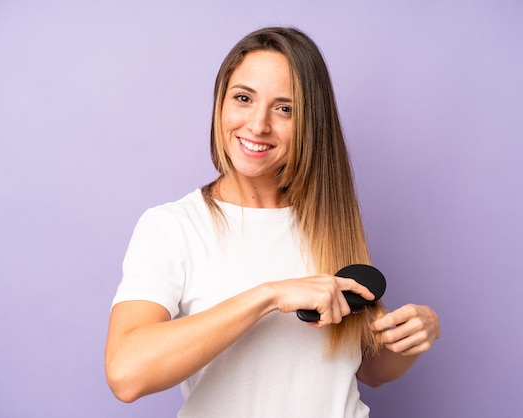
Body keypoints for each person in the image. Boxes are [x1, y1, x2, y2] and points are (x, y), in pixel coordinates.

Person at [105, 26, 441, 418]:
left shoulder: (332, 223)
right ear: (220, 103)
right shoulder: (172, 227)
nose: (258, 125)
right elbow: (126, 373)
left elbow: (370, 371)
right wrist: (267, 296)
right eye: (243, 98)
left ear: (310, 122)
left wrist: (414, 336)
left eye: (285, 108)